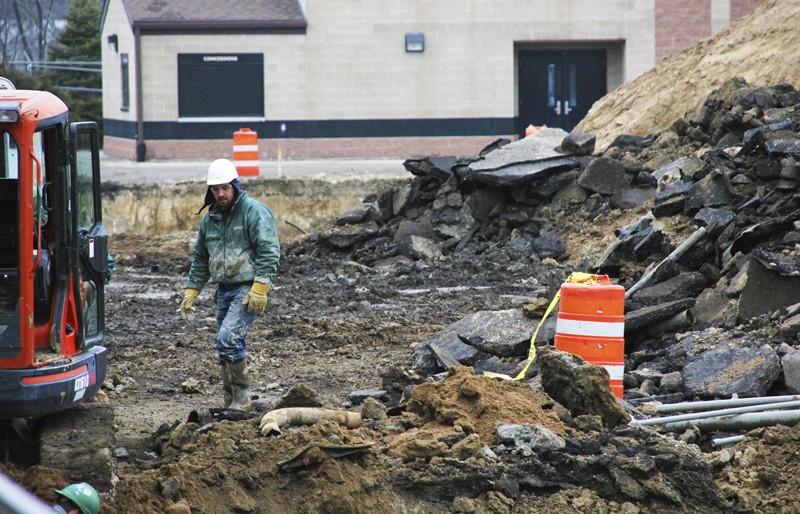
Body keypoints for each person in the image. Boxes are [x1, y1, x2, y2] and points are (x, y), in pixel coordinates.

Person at [178, 159, 280, 410]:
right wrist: (192, 290)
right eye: (215, 189)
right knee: (225, 347)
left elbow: (269, 251)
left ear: (235, 185)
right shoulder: (210, 220)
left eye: (225, 188)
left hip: (246, 288)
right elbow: (201, 258)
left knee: (227, 339)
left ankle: (242, 399)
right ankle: (230, 400)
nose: (221, 194)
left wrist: (260, 288)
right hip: (223, 289)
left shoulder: (254, 212)